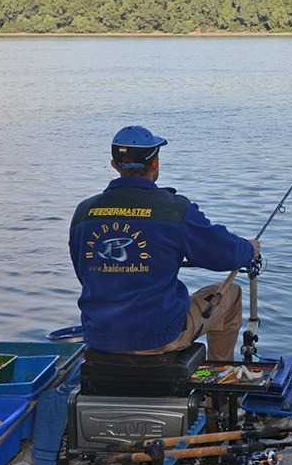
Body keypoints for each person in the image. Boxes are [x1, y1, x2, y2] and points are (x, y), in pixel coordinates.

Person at [69, 125, 259, 361]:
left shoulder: (84, 212)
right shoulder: (174, 209)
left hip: (98, 335)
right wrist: (250, 249)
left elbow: (83, 271)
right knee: (231, 292)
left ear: (114, 165)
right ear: (155, 163)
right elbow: (226, 254)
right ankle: (217, 386)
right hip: (159, 337)